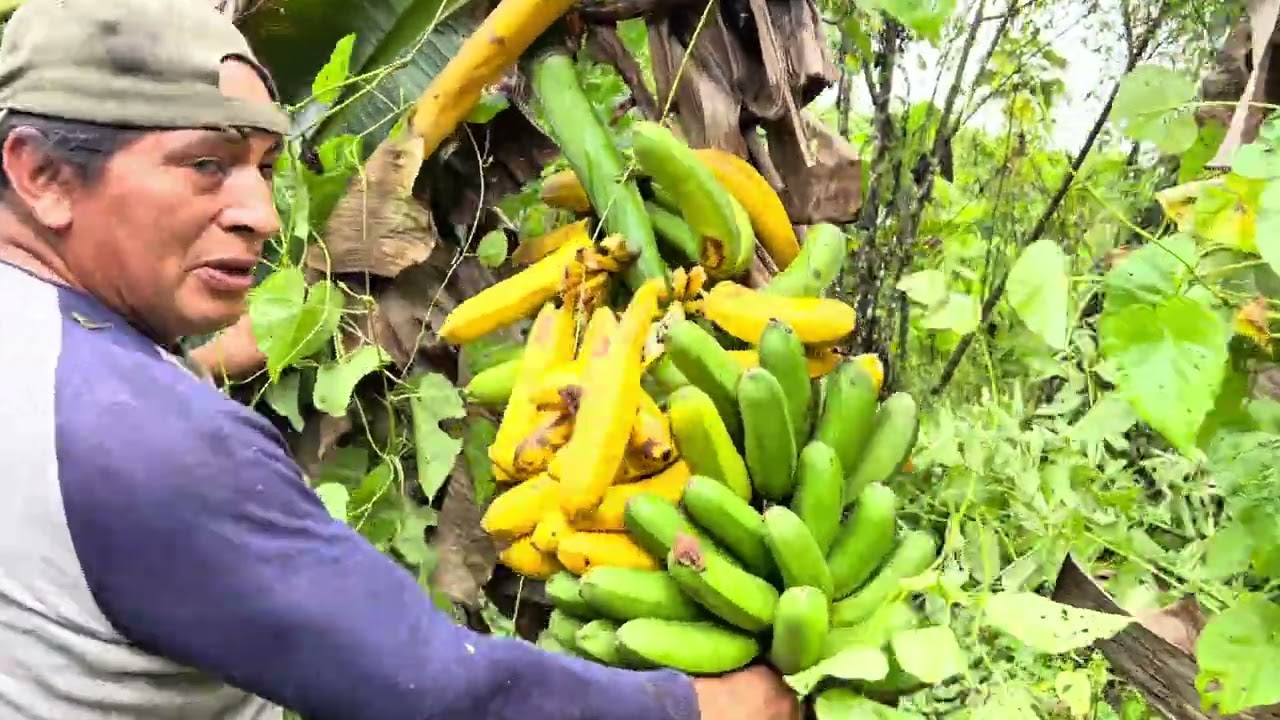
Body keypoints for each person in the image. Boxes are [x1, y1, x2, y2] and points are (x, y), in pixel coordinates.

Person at [0, 1, 802, 719]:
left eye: (266, 169)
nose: (260, 215)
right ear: (42, 175)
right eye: (206, 165)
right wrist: (700, 709)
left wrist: (200, 365)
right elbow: (439, 694)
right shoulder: (160, 443)